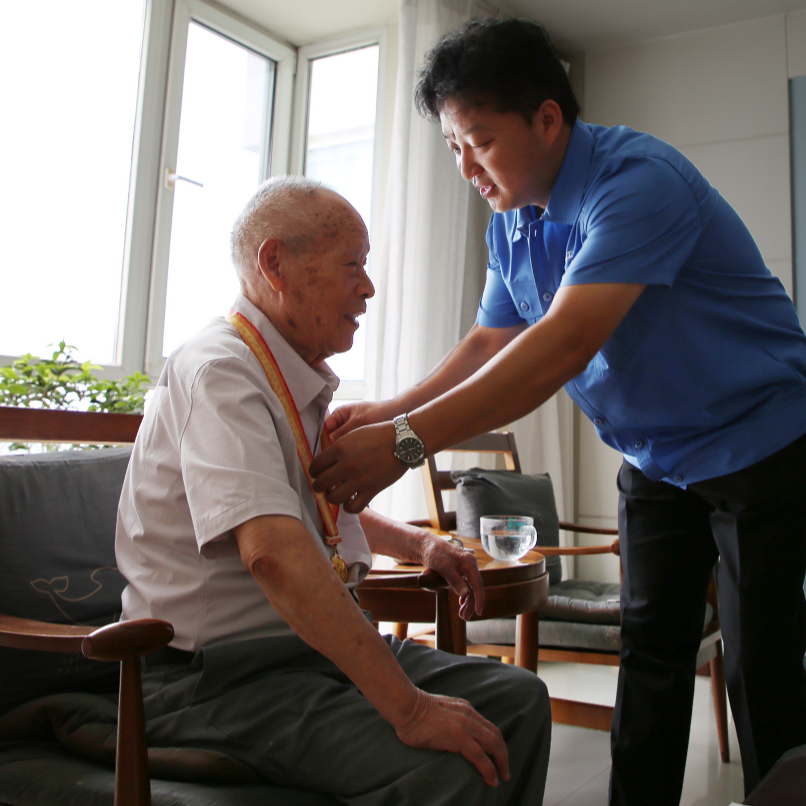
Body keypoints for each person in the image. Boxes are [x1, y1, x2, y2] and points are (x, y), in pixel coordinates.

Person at [308, 16, 806, 806]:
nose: (466, 166)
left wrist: (403, 443)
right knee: (651, 649)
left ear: (547, 118)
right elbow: (491, 339)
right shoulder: (513, 222)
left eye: (480, 141)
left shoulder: (638, 182)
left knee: (762, 660)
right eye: (453, 147)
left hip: (760, 442)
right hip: (655, 456)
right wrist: (392, 407)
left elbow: (564, 343)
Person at [115, 175, 551, 805]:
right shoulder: (221, 370)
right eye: (353, 265)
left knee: (520, 698)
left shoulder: (290, 373)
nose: (368, 287)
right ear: (275, 263)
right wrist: (411, 710)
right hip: (218, 677)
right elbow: (273, 552)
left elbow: (303, 507)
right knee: (450, 762)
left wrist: (420, 545)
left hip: (303, 656)